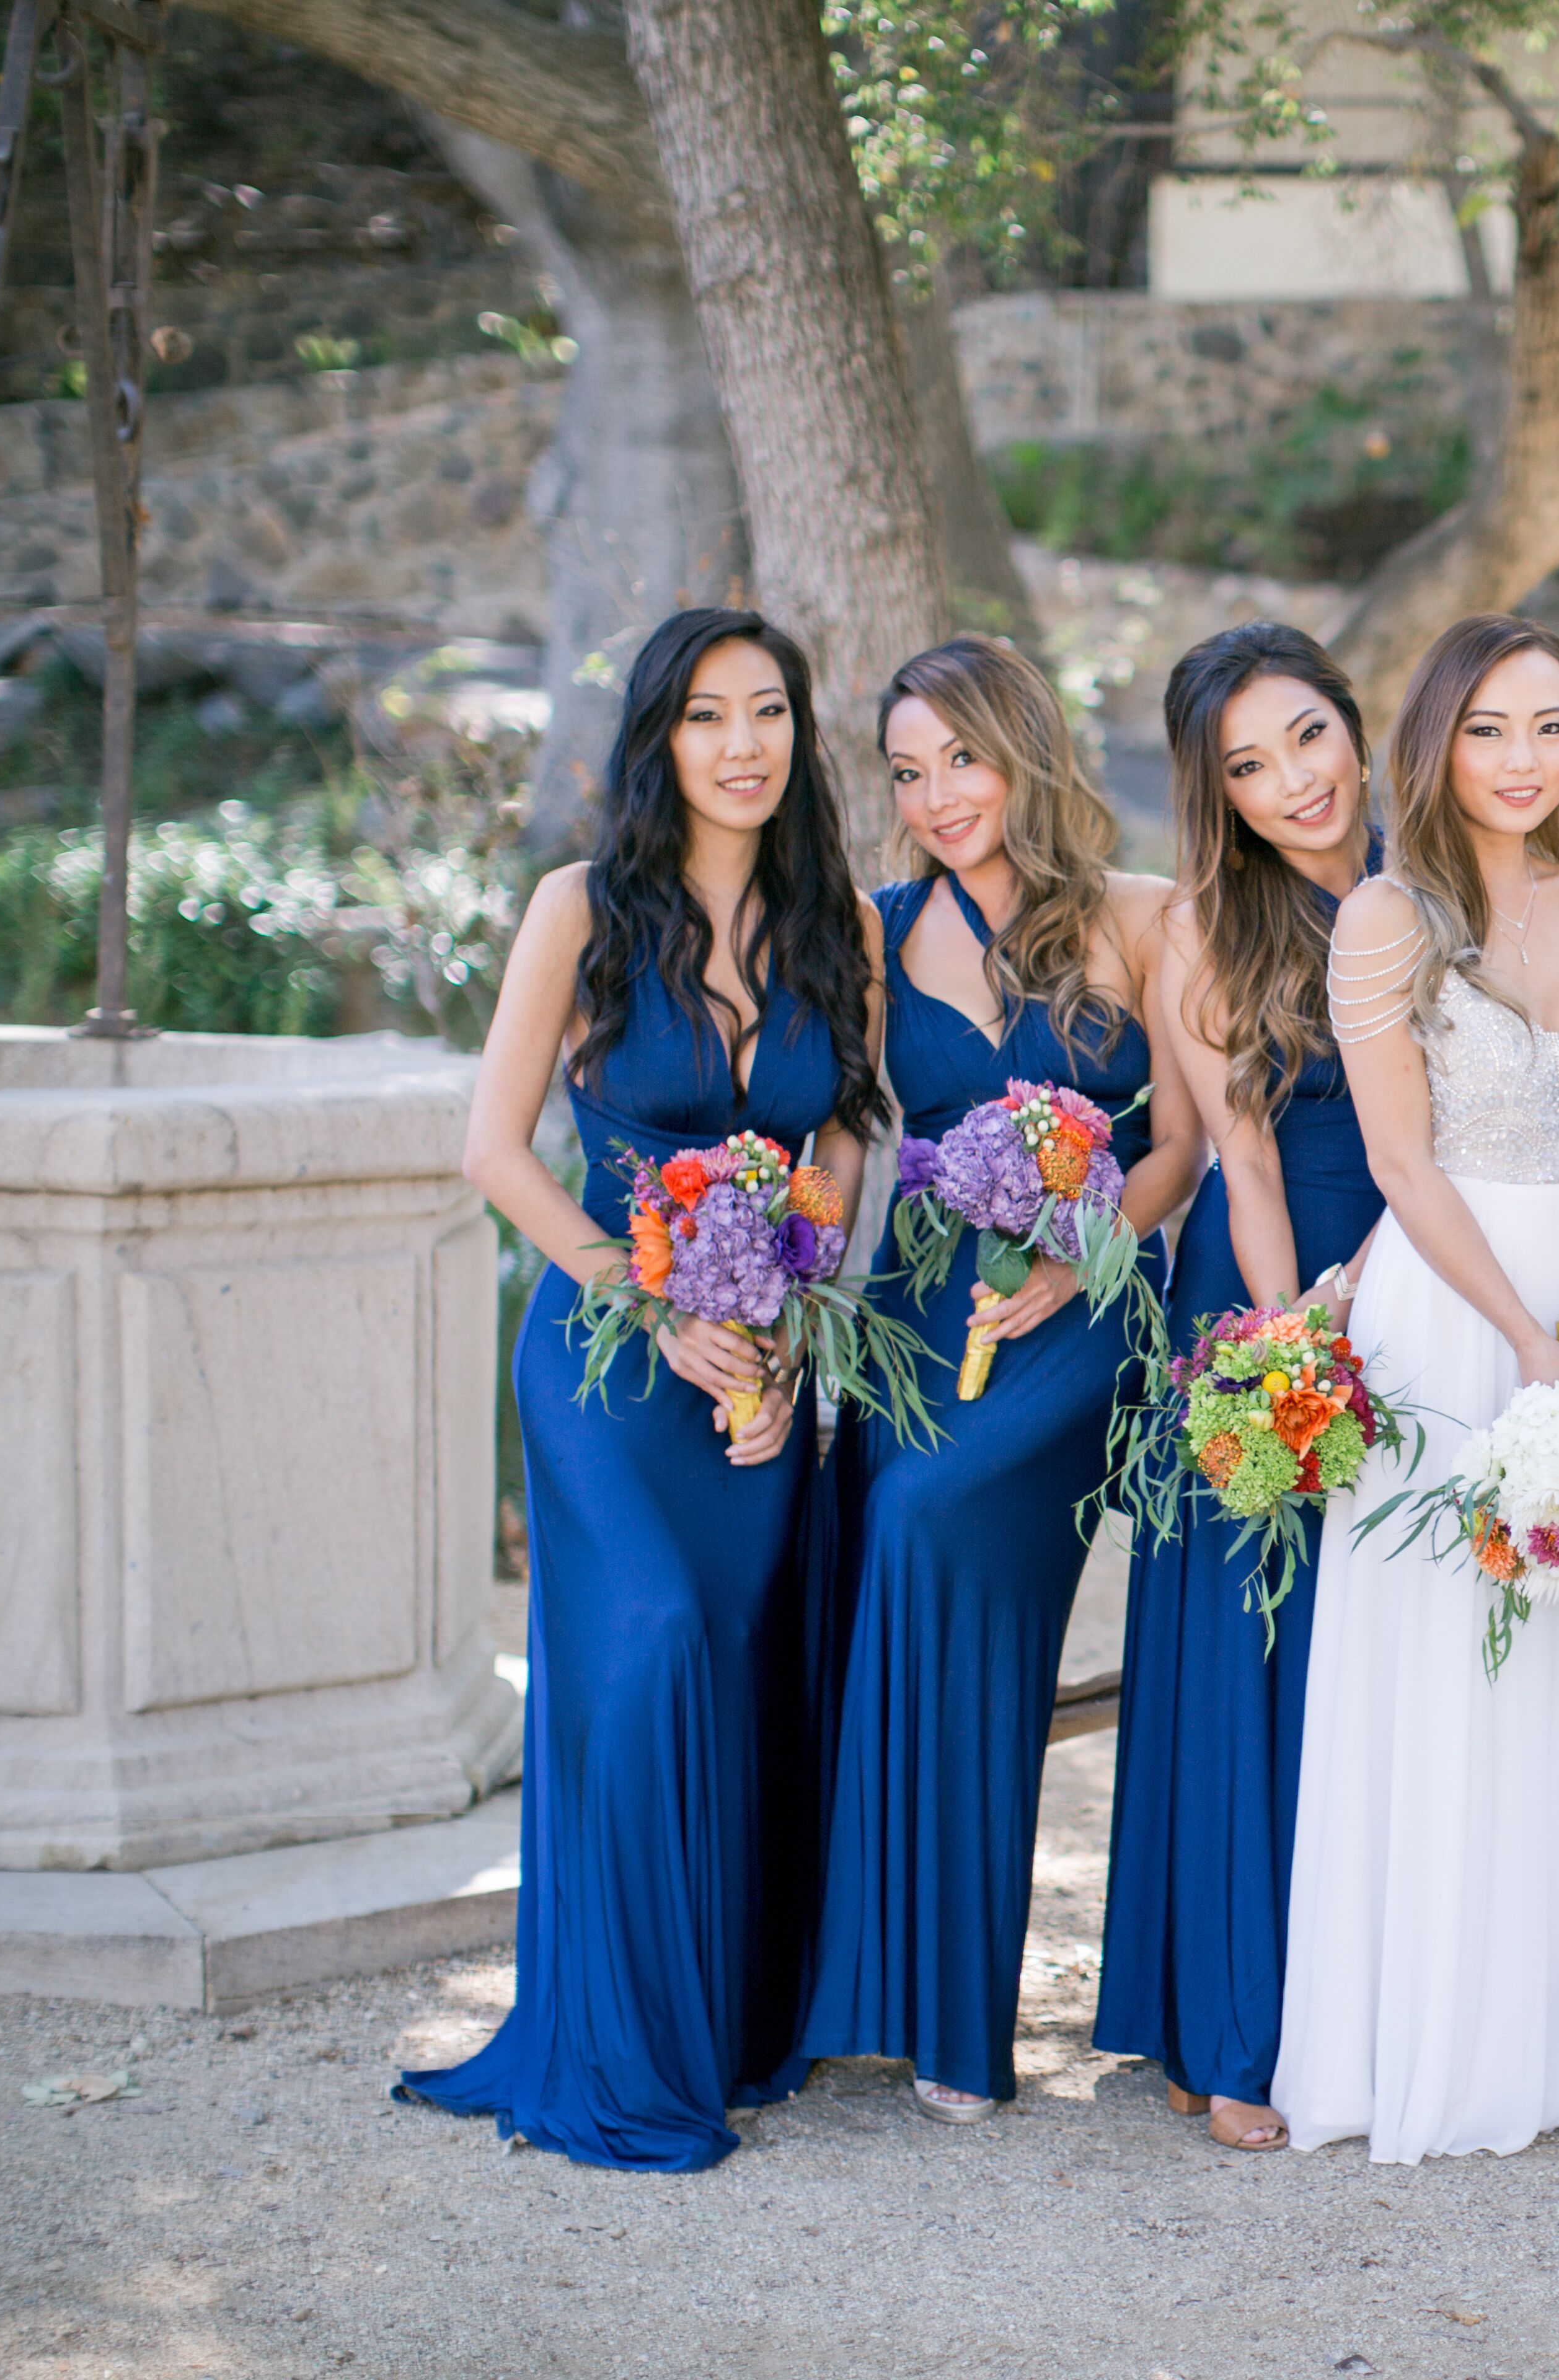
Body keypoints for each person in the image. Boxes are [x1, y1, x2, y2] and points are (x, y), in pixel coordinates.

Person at [403, 608, 884, 2171]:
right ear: (658, 740)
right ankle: (620, 2048)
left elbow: (842, 1142)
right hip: (609, 1361)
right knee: (655, 1647)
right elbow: (495, 1155)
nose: (742, 745)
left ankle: (729, 2022)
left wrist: (793, 1315)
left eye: (769, 714)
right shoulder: (580, 909)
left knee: (742, 1656)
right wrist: (652, 1294)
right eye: (705, 716)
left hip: (764, 1367)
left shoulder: (838, 924)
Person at [1271, 613, 1559, 2162]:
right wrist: (1524, 1336)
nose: (1524, 761)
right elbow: (1395, 1157)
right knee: (1448, 1670)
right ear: (1438, 742)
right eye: (1491, 729)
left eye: (1549, 728)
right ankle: (1431, 2053)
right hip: (1453, 1318)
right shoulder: (1388, 916)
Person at [793, 636, 1206, 2123]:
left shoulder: (1143, 916)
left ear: (1023, 748)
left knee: (937, 1537)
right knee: (895, 1557)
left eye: (960, 759)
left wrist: (1088, 1240)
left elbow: (1179, 1143)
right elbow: (842, 1121)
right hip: (921, 1305)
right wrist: (779, 1271)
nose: (937, 797)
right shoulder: (872, 923)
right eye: (908, 773)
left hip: (1084, 1310)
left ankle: (954, 2017)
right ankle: (877, 1991)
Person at [1096, 625, 1389, 2153]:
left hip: (1427, 1264)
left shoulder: (1440, 893)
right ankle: (1231, 2025)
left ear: (1355, 724)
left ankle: (1390, 2000)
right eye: (1249, 766)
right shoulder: (1211, 927)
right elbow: (1246, 1162)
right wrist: (1297, 1360)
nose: (1296, 784)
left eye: (1310, 738)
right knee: (1254, 1636)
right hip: (1269, 1297)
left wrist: (1409, 1290)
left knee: (1394, 1641)